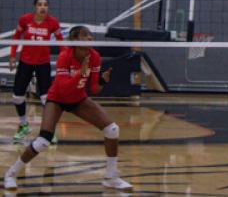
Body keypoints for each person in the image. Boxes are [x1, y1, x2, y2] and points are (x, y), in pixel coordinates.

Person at [4, 26, 132, 192]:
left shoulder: (94, 56)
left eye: (91, 36)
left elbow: (93, 89)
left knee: (112, 130)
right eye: (85, 36)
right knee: (43, 141)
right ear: (74, 40)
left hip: (78, 99)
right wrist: (80, 73)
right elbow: (63, 88)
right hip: (56, 99)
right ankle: (11, 174)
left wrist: (102, 81)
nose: (89, 39)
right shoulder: (65, 57)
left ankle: (111, 177)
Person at [9, 0, 63, 143]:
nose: (43, 7)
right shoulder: (24, 19)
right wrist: (13, 55)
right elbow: (15, 37)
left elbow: (62, 42)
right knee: (17, 96)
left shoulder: (52, 22)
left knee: (47, 99)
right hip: (25, 62)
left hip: (43, 63)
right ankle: (23, 124)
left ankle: (48, 131)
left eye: (45, 5)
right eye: (39, 5)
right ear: (35, 7)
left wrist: (64, 60)